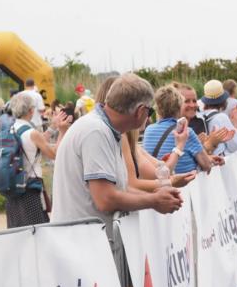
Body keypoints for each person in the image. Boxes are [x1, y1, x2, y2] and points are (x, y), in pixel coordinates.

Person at [52, 73, 184, 245]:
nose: (149, 117)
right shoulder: (96, 132)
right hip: (82, 248)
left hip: (86, 244)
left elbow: (120, 189)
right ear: (141, 111)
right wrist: (154, 200)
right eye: (150, 111)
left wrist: (158, 194)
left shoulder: (104, 129)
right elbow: (105, 199)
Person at [4, 92, 72, 227]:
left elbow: (35, 143)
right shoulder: (31, 133)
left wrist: (52, 127)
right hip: (29, 189)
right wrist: (62, 130)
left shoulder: (11, 128)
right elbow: (54, 153)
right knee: (39, 232)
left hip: (12, 187)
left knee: (18, 233)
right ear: (30, 110)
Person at [142, 85, 219, 175]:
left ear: (157, 108)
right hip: (184, 185)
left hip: (158, 183)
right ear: (179, 107)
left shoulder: (148, 130)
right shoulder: (186, 132)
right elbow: (206, 165)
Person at [200, 79, 237, 156]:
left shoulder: (200, 115)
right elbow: (236, 146)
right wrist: (236, 124)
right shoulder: (221, 117)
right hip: (220, 163)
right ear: (223, 99)